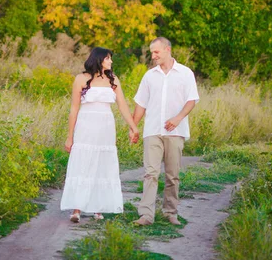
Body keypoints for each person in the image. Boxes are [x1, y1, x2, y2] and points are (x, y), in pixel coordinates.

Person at [61, 47, 139, 223]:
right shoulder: (81, 79)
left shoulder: (113, 80)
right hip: (86, 125)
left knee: (101, 163)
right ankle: (77, 209)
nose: (110, 61)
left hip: (105, 126)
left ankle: (98, 208)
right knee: (83, 163)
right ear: (98, 59)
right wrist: (70, 136)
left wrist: (133, 127)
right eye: (108, 58)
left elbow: (123, 106)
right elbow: (73, 109)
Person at [131, 37, 199, 226]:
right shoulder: (149, 76)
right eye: (152, 52)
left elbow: (191, 100)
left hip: (176, 132)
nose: (153, 56)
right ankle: (146, 215)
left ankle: (170, 212)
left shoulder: (185, 73)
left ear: (167, 50)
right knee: (151, 173)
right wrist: (134, 127)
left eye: (156, 52)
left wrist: (178, 118)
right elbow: (141, 104)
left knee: (172, 174)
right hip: (152, 130)